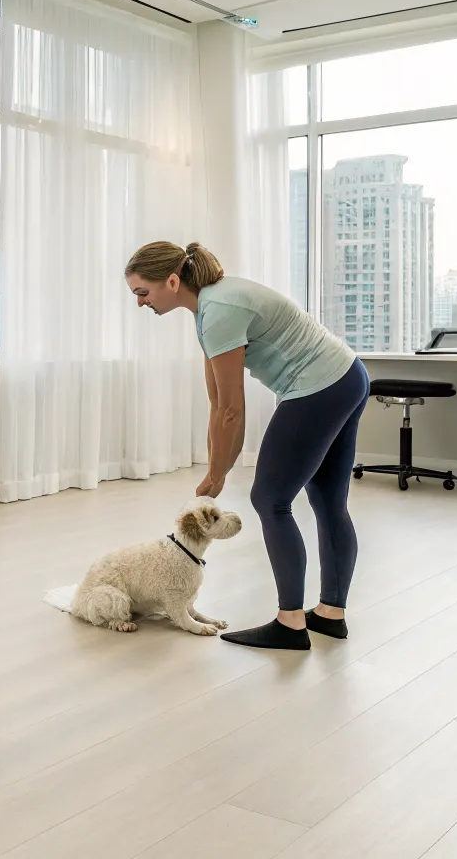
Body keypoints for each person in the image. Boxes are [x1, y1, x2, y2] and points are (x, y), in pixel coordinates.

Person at [123, 241, 368, 651]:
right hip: (347, 376)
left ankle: (290, 624)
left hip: (318, 386)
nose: (140, 303)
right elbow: (217, 403)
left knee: (270, 499)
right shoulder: (208, 310)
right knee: (328, 503)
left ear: (171, 281)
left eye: (142, 293)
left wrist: (217, 475)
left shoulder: (218, 312)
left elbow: (233, 411)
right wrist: (213, 471)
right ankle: (330, 615)